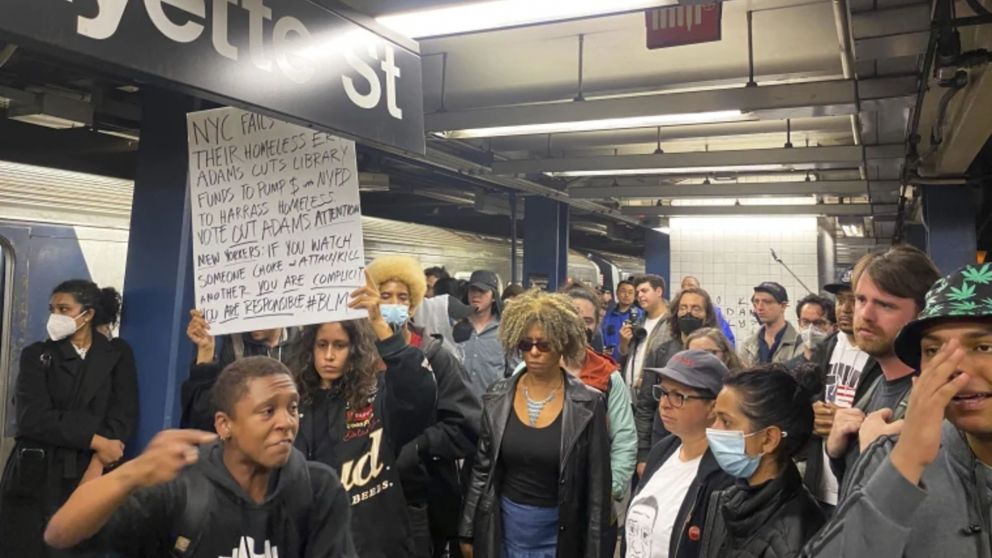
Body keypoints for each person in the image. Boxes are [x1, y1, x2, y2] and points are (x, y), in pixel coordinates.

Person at [42, 357, 356, 558]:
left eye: (293, 407)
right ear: (224, 424)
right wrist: (132, 473)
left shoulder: (318, 489)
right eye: (268, 410)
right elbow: (60, 534)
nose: (287, 422)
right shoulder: (181, 487)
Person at [802, 262, 992, 557]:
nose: (955, 368)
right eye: (934, 351)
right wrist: (903, 465)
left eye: (983, 347)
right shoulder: (894, 455)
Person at [291, 271, 438, 558]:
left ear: (355, 349)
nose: (330, 356)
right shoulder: (294, 404)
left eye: (340, 345)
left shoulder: (377, 396)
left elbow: (419, 393)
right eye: (322, 345)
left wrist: (380, 326)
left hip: (374, 542)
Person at [460, 289, 611, 558]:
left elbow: (597, 491)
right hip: (503, 529)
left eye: (544, 345)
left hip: (560, 534)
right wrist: (468, 530)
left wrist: (596, 550)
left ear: (563, 344)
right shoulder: (498, 396)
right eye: (525, 344)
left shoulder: (588, 404)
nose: (533, 352)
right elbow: (482, 469)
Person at [0, 280, 137, 558]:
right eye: (53, 309)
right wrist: (96, 440)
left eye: (64, 308)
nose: (56, 316)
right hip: (37, 474)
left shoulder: (117, 354)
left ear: (88, 314)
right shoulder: (37, 355)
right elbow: (33, 418)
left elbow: (123, 413)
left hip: (90, 470)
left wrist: (98, 463)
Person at [366, 255, 482, 558]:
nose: (393, 303)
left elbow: (467, 426)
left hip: (422, 501)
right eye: (385, 295)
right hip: (368, 497)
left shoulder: (436, 356)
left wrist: (418, 447)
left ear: (414, 302)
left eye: (402, 297)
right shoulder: (358, 360)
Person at [824, 245, 939, 482]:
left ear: (922, 314)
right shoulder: (875, 385)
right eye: (861, 299)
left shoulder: (939, 401)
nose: (865, 314)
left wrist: (878, 457)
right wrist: (836, 452)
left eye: (885, 305)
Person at [699, 365, 826, 557]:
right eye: (715, 417)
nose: (714, 429)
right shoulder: (731, 498)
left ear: (768, 439)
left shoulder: (795, 538)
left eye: (726, 422)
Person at [624, 350, 733, 558]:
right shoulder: (663, 450)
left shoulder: (723, 472)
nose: (664, 404)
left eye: (678, 396)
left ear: (713, 406)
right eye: (663, 392)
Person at [800, 267, 882, 509]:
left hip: (861, 482)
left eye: (854, 299)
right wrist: (812, 412)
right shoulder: (825, 348)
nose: (845, 308)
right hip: (821, 482)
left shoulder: (883, 354)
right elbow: (804, 397)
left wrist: (851, 421)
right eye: (840, 300)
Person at [635, 287, 720, 471]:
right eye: (683, 308)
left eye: (696, 308)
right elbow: (646, 405)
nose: (688, 313)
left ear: (707, 315)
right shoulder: (660, 351)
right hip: (662, 442)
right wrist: (643, 453)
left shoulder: (718, 353)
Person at [181, 318, 300, 432]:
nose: (255, 320)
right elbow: (200, 420)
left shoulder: (303, 346)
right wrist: (205, 352)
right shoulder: (225, 343)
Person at [455, 270, 507, 398]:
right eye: (472, 290)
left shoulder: (504, 332)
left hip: (492, 408)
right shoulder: (455, 327)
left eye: (482, 291)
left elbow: (515, 373)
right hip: (458, 407)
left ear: (494, 297)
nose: (476, 295)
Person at [620, 275, 670, 394]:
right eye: (637, 293)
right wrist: (624, 342)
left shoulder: (671, 324)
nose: (640, 296)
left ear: (658, 292)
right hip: (630, 393)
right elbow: (626, 353)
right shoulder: (639, 322)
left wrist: (649, 380)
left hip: (654, 394)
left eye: (644, 291)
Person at [739, 282, 804, 367]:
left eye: (767, 302)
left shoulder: (798, 343)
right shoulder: (748, 344)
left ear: (783, 306)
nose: (759, 307)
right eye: (756, 302)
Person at [680, 276, 737, 348]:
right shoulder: (675, 313)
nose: (687, 288)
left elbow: (727, 340)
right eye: (683, 286)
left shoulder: (714, 313)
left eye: (691, 286)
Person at [786, 294, 837, 367]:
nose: (811, 329)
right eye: (805, 322)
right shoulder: (788, 370)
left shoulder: (838, 369)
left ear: (834, 327)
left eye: (819, 323)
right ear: (799, 323)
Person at [601, 279, 644, 363]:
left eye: (630, 292)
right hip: (610, 363)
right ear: (616, 293)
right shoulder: (607, 316)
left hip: (631, 363)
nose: (626, 295)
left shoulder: (641, 316)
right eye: (623, 291)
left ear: (635, 296)